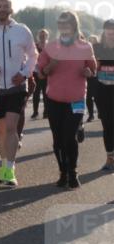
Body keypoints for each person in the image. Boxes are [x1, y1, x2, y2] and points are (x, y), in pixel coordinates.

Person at [37, 11, 98, 188]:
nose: (64, 27)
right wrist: (51, 66)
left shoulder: (85, 47)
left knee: (69, 138)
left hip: (76, 99)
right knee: (58, 139)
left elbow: (92, 69)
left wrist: (88, 72)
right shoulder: (51, 47)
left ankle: (73, 172)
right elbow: (40, 73)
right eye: (61, 23)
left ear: (74, 25)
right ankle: (63, 172)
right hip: (54, 99)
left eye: (68, 23)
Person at [0, 0, 36, 186]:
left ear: (11, 9)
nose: (1, 8)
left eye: (5, 6)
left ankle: (10, 168)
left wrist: (24, 74)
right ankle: (4, 164)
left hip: (16, 87)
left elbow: (33, 55)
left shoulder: (22, 31)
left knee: (10, 127)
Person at [93, 20, 114, 171]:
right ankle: (110, 159)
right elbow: (90, 66)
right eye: (109, 30)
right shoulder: (96, 48)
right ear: (104, 31)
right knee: (107, 126)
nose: (111, 33)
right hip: (102, 93)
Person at [32, 28, 50, 119]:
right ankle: (35, 111)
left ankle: (46, 112)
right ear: (38, 36)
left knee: (46, 93)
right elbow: (33, 59)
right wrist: (38, 71)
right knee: (36, 93)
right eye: (41, 35)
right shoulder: (35, 46)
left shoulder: (50, 47)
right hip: (36, 73)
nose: (42, 37)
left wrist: (45, 71)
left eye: (44, 35)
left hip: (47, 73)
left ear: (47, 36)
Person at [86, 34, 101, 122]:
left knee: (96, 96)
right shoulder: (86, 49)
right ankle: (91, 114)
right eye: (90, 39)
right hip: (88, 76)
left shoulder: (99, 49)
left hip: (96, 75)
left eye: (93, 39)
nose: (92, 41)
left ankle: (99, 112)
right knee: (88, 97)